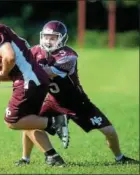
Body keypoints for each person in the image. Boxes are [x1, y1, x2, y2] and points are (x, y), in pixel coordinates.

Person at [16, 20, 139, 165]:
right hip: (53, 101)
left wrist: (24, 68)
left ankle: (120, 158)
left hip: (78, 103)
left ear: (61, 38)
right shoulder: (35, 51)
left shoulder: (68, 56)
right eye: (46, 37)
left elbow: (46, 72)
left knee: (110, 132)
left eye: (53, 37)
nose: (48, 41)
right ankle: (25, 159)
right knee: (28, 123)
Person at [0, 9, 70, 166]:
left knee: (13, 120)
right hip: (32, 79)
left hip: (29, 79)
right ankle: (50, 157)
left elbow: (10, 57)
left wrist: (1, 72)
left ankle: (54, 121)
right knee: (28, 121)